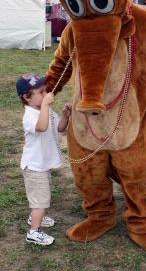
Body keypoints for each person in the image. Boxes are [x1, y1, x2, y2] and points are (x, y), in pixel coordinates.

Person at [16, 73, 72, 246]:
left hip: (43, 165)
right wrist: (46, 106)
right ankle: (33, 232)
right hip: (34, 167)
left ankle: (36, 216)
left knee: (43, 196)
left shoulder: (45, 111)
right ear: (26, 97)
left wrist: (65, 116)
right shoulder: (30, 116)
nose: (46, 94)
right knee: (40, 200)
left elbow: (59, 128)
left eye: (45, 90)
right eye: (40, 92)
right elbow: (42, 127)